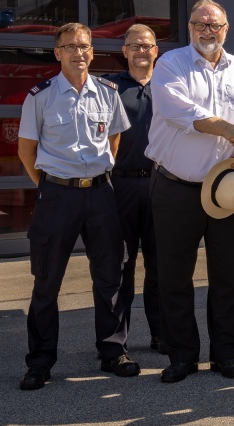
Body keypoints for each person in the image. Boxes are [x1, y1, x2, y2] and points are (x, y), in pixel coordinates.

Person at [145, 0, 234, 383]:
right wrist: (230, 130)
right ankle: (182, 356)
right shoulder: (170, 65)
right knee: (174, 276)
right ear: (190, 28)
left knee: (229, 275)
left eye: (214, 25)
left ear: (225, 29)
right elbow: (178, 110)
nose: (207, 31)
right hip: (176, 188)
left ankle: (225, 355)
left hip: (228, 189)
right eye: (200, 24)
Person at [17, 22, 138, 391]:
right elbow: (26, 151)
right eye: (69, 47)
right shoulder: (40, 96)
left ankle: (113, 351)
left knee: (110, 278)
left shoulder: (107, 92)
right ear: (58, 54)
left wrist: (96, 179)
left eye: (84, 46)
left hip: (101, 194)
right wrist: (52, 188)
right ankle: (40, 362)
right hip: (58, 196)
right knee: (47, 281)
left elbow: (114, 139)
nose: (78, 53)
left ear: (92, 51)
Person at [105, 24, 162, 352]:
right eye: (135, 46)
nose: (142, 51)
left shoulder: (170, 88)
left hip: (161, 185)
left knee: (161, 266)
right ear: (124, 51)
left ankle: (161, 334)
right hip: (120, 186)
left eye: (148, 46)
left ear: (156, 51)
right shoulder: (109, 87)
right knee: (119, 266)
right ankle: (116, 342)